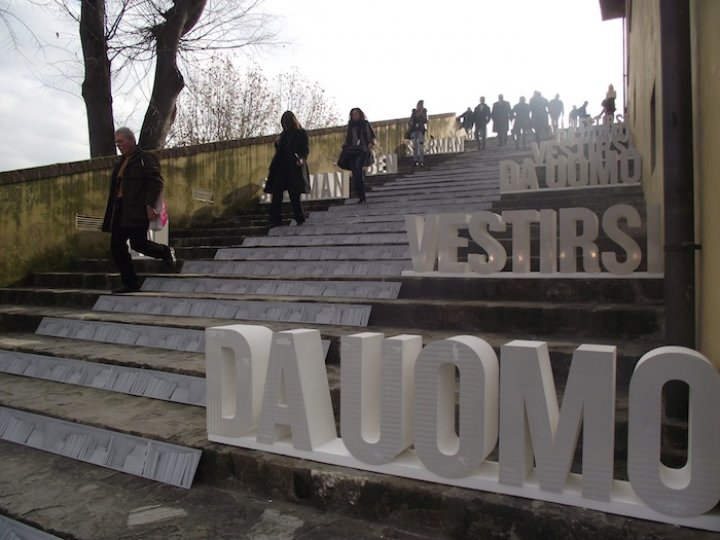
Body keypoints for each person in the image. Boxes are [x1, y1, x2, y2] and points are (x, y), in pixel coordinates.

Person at [100, 127, 178, 294]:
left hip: (137, 209)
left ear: (130, 140)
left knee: (138, 243)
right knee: (116, 246)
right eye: (116, 142)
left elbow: (156, 182)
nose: (118, 145)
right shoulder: (121, 162)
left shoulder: (145, 158)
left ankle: (164, 251)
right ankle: (130, 282)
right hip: (120, 208)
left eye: (120, 141)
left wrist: (149, 205)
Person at [267, 111, 311, 227]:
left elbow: (305, 149)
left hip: (294, 166)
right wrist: (277, 143)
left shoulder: (301, 133)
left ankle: (299, 218)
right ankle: (275, 219)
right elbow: (280, 150)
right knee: (277, 191)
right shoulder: (284, 135)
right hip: (282, 166)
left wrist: (301, 159)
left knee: (294, 193)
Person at [342, 107, 376, 203]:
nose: (354, 116)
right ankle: (360, 195)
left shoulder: (365, 123)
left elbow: (372, 136)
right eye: (352, 114)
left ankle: (362, 195)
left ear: (360, 114)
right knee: (355, 172)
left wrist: (370, 143)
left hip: (362, 150)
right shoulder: (350, 125)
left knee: (358, 168)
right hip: (352, 151)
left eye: (356, 114)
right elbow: (348, 138)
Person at [408, 100, 428, 166]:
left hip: (420, 130)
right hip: (414, 130)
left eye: (421, 105)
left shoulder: (424, 111)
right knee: (414, 146)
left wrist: (421, 114)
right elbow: (410, 121)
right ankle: (415, 160)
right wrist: (411, 123)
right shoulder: (414, 112)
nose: (420, 106)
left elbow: (425, 120)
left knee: (421, 146)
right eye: (419, 104)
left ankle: (421, 160)